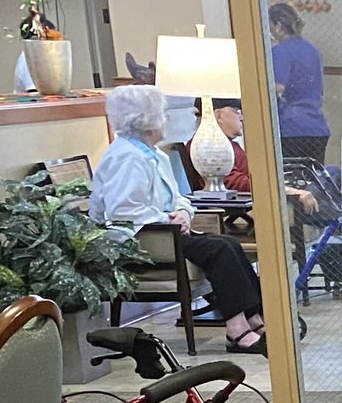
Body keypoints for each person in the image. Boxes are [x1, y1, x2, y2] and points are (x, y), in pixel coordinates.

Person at [90, 83, 269, 354]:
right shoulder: (125, 158)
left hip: (167, 232)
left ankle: (254, 319)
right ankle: (237, 330)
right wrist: (168, 218)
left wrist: (184, 212)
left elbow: (179, 198)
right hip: (142, 240)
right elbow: (122, 213)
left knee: (228, 244)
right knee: (219, 249)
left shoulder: (155, 155)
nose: (167, 119)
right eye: (163, 114)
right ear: (147, 120)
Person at [270, 3, 330, 167]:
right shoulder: (312, 50)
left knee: (291, 180)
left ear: (278, 26)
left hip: (291, 127)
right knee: (313, 179)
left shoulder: (280, 52)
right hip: (317, 126)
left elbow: (278, 87)